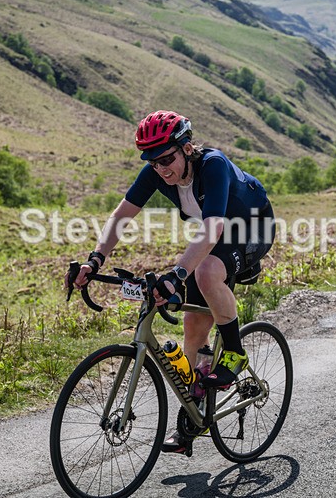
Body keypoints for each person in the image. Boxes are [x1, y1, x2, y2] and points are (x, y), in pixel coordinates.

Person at [69, 110, 275, 454]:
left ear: (187, 148)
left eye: (167, 159)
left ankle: (235, 353)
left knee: (205, 272)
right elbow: (121, 216)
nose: (161, 168)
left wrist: (177, 275)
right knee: (193, 329)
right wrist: (95, 259)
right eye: (152, 162)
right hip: (215, 234)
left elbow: (213, 229)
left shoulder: (213, 165)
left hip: (252, 227)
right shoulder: (156, 173)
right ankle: (193, 419)